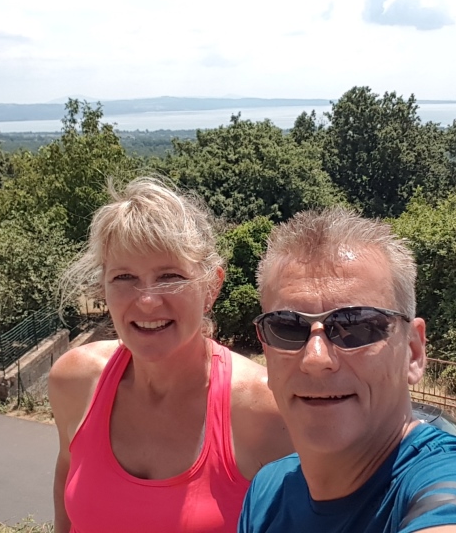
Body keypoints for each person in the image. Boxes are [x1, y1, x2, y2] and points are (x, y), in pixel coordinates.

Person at [239, 208, 456, 533]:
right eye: (286, 327)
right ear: (266, 350)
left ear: (413, 352)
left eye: (357, 326)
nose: (316, 357)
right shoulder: (268, 491)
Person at [48, 177, 292, 533]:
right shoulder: (75, 380)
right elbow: (66, 484)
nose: (147, 300)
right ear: (104, 288)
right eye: (124, 277)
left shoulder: (265, 410)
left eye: (170, 276)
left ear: (211, 287)